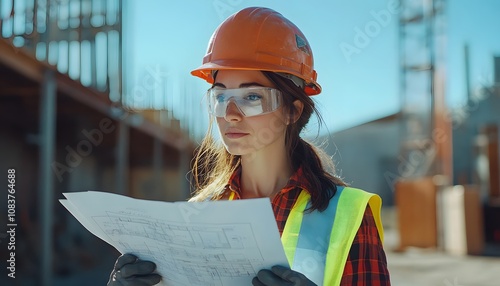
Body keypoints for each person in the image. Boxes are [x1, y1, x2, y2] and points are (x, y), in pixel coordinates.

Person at [107, 6, 390, 286]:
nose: (230, 113)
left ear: (293, 110)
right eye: (221, 96)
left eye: (252, 97)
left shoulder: (347, 214)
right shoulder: (198, 214)